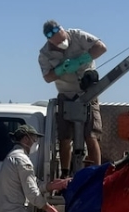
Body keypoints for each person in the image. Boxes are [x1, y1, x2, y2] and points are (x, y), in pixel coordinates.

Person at [38, 20, 107, 177]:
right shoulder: (45, 54)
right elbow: (47, 77)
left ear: (63, 30)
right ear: (49, 40)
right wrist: (61, 70)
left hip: (88, 93)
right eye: (58, 42)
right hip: (66, 94)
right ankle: (65, 174)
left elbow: (101, 47)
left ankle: (97, 172)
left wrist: (82, 59)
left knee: (91, 134)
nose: (62, 43)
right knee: (65, 137)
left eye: (63, 39)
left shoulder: (76, 35)